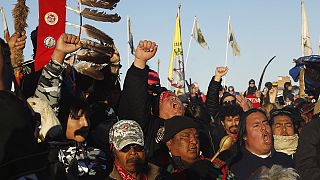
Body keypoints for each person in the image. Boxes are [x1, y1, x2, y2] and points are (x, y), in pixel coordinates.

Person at [162, 116, 234, 179]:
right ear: (169, 143)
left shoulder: (217, 167)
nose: (194, 141)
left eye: (196, 137)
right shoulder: (163, 171)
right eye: (186, 136)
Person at [230, 109, 293, 180]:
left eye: (266, 123)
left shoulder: (286, 160)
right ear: (245, 135)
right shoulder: (236, 167)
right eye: (256, 125)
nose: (263, 128)